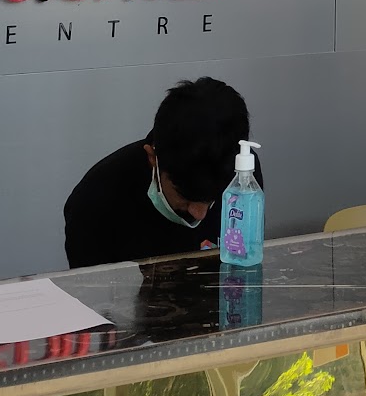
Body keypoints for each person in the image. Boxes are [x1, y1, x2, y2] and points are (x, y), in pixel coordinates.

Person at [63, 76, 255, 268]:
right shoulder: (94, 203)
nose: (199, 214)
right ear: (153, 157)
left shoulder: (240, 178)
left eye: (212, 199)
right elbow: (89, 286)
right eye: (185, 198)